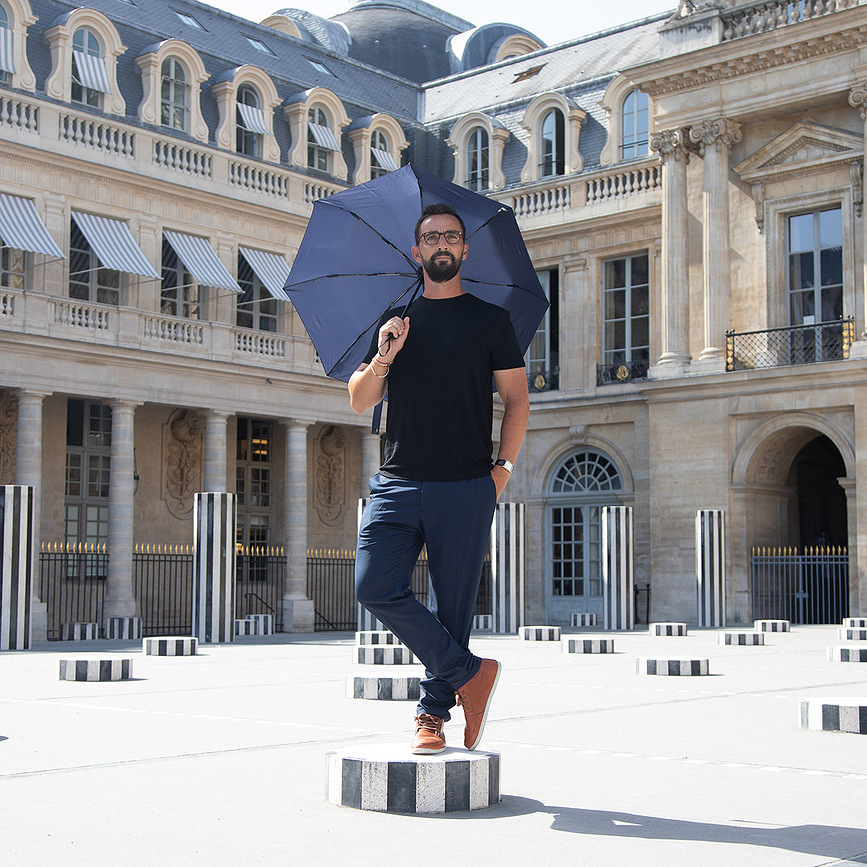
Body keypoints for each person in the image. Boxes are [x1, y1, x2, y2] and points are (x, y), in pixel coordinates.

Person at [348, 203, 530, 755]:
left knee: (454, 609)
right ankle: (471, 672)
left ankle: (432, 715)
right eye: (432, 238)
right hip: (397, 482)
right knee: (373, 586)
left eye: (451, 236)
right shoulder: (395, 320)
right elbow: (359, 399)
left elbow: (517, 400)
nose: (442, 244)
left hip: (466, 484)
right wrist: (385, 355)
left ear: (464, 249)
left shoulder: (491, 320)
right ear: (417, 251)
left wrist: (502, 471)